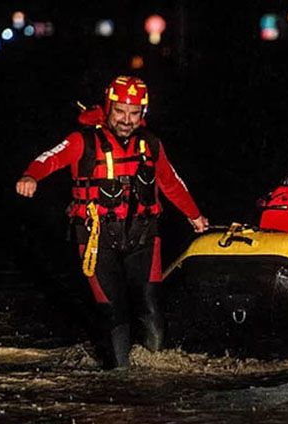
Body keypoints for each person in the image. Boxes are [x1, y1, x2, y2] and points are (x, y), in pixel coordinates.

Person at [15, 75, 209, 369]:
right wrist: (31, 176)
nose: (126, 120)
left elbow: (171, 182)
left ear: (143, 114)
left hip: (143, 236)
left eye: (134, 113)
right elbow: (48, 159)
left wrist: (194, 215)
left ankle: (156, 374)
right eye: (119, 111)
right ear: (107, 108)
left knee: (150, 306)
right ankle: (121, 379)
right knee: (113, 311)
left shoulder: (151, 144)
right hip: (96, 240)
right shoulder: (82, 141)